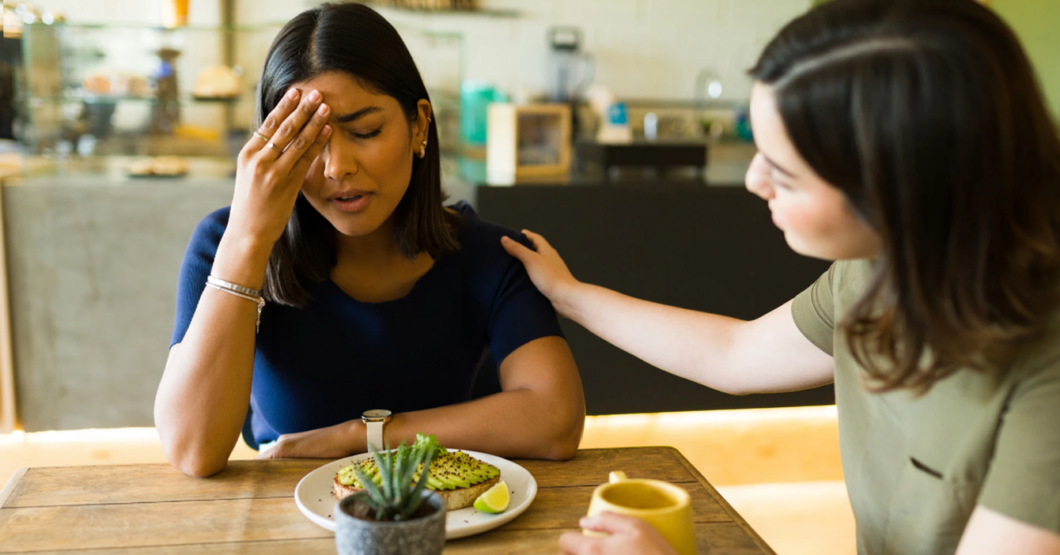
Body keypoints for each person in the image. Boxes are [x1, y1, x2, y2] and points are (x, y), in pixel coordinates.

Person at [502, 0, 1060, 553]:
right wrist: (571, 296)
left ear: (899, 192)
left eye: (784, 173)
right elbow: (733, 353)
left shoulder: (1045, 370)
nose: (753, 180)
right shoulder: (882, 267)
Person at [154, 2, 585, 478]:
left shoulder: (490, 257)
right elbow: (194, 451)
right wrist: (249, 240)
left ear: (419, 124)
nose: (337, 167)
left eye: (365, 131)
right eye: (308, 141)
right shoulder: (226, 243)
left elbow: (556, 422)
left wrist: (360, 437)